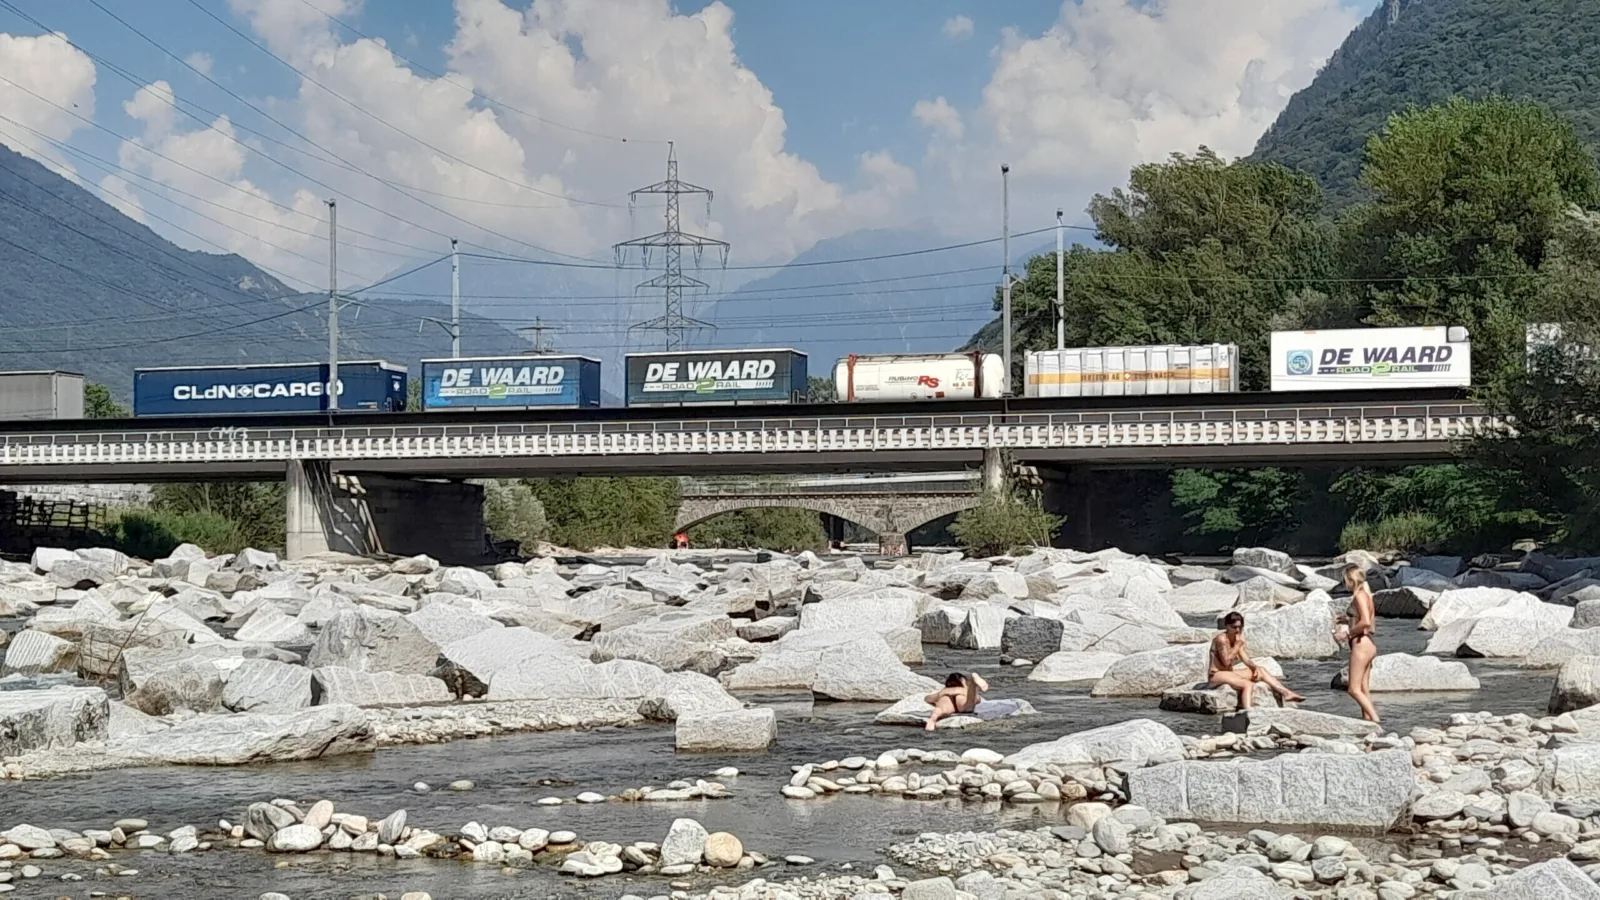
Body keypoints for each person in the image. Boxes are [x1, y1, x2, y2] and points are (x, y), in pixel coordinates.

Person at [1208, 611, 1304, 709]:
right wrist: (1237, 645)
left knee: (1261, 670)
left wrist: (1253, 668)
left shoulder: (1237, 638)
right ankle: (1248, 712)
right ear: (1226, 626)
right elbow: (1226, 662)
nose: (1237, 630)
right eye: (1234, 627)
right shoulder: (1221, 639)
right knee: (1247, 684)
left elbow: (1244, 657)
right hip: (1216, 674)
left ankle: (1286, 693)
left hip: (1229, 672)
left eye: (1239, 627)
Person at [1343, 564, 1381, 723]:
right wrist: (1347, 620)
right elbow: (1367, 620)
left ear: (1350, 580)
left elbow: (1365, 622)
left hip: (1361, 645)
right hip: (1368, 644)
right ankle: (1367, 722)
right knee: (1364, 688)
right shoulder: (1366, 594)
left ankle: (1376, 720)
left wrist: (1346, 633)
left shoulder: (1359, 596)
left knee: (1353, 689)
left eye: (1345, 580)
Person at [924, 671, 989, 731]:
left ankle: (932, 719)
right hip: (962, 700)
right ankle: (972, 682)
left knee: (940, 709)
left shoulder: (945, 690)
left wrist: (936, 697)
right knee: (969, 705)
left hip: (947, 697)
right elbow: (978, 699)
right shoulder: (964, 690)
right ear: (963, 682)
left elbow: (928, 698)